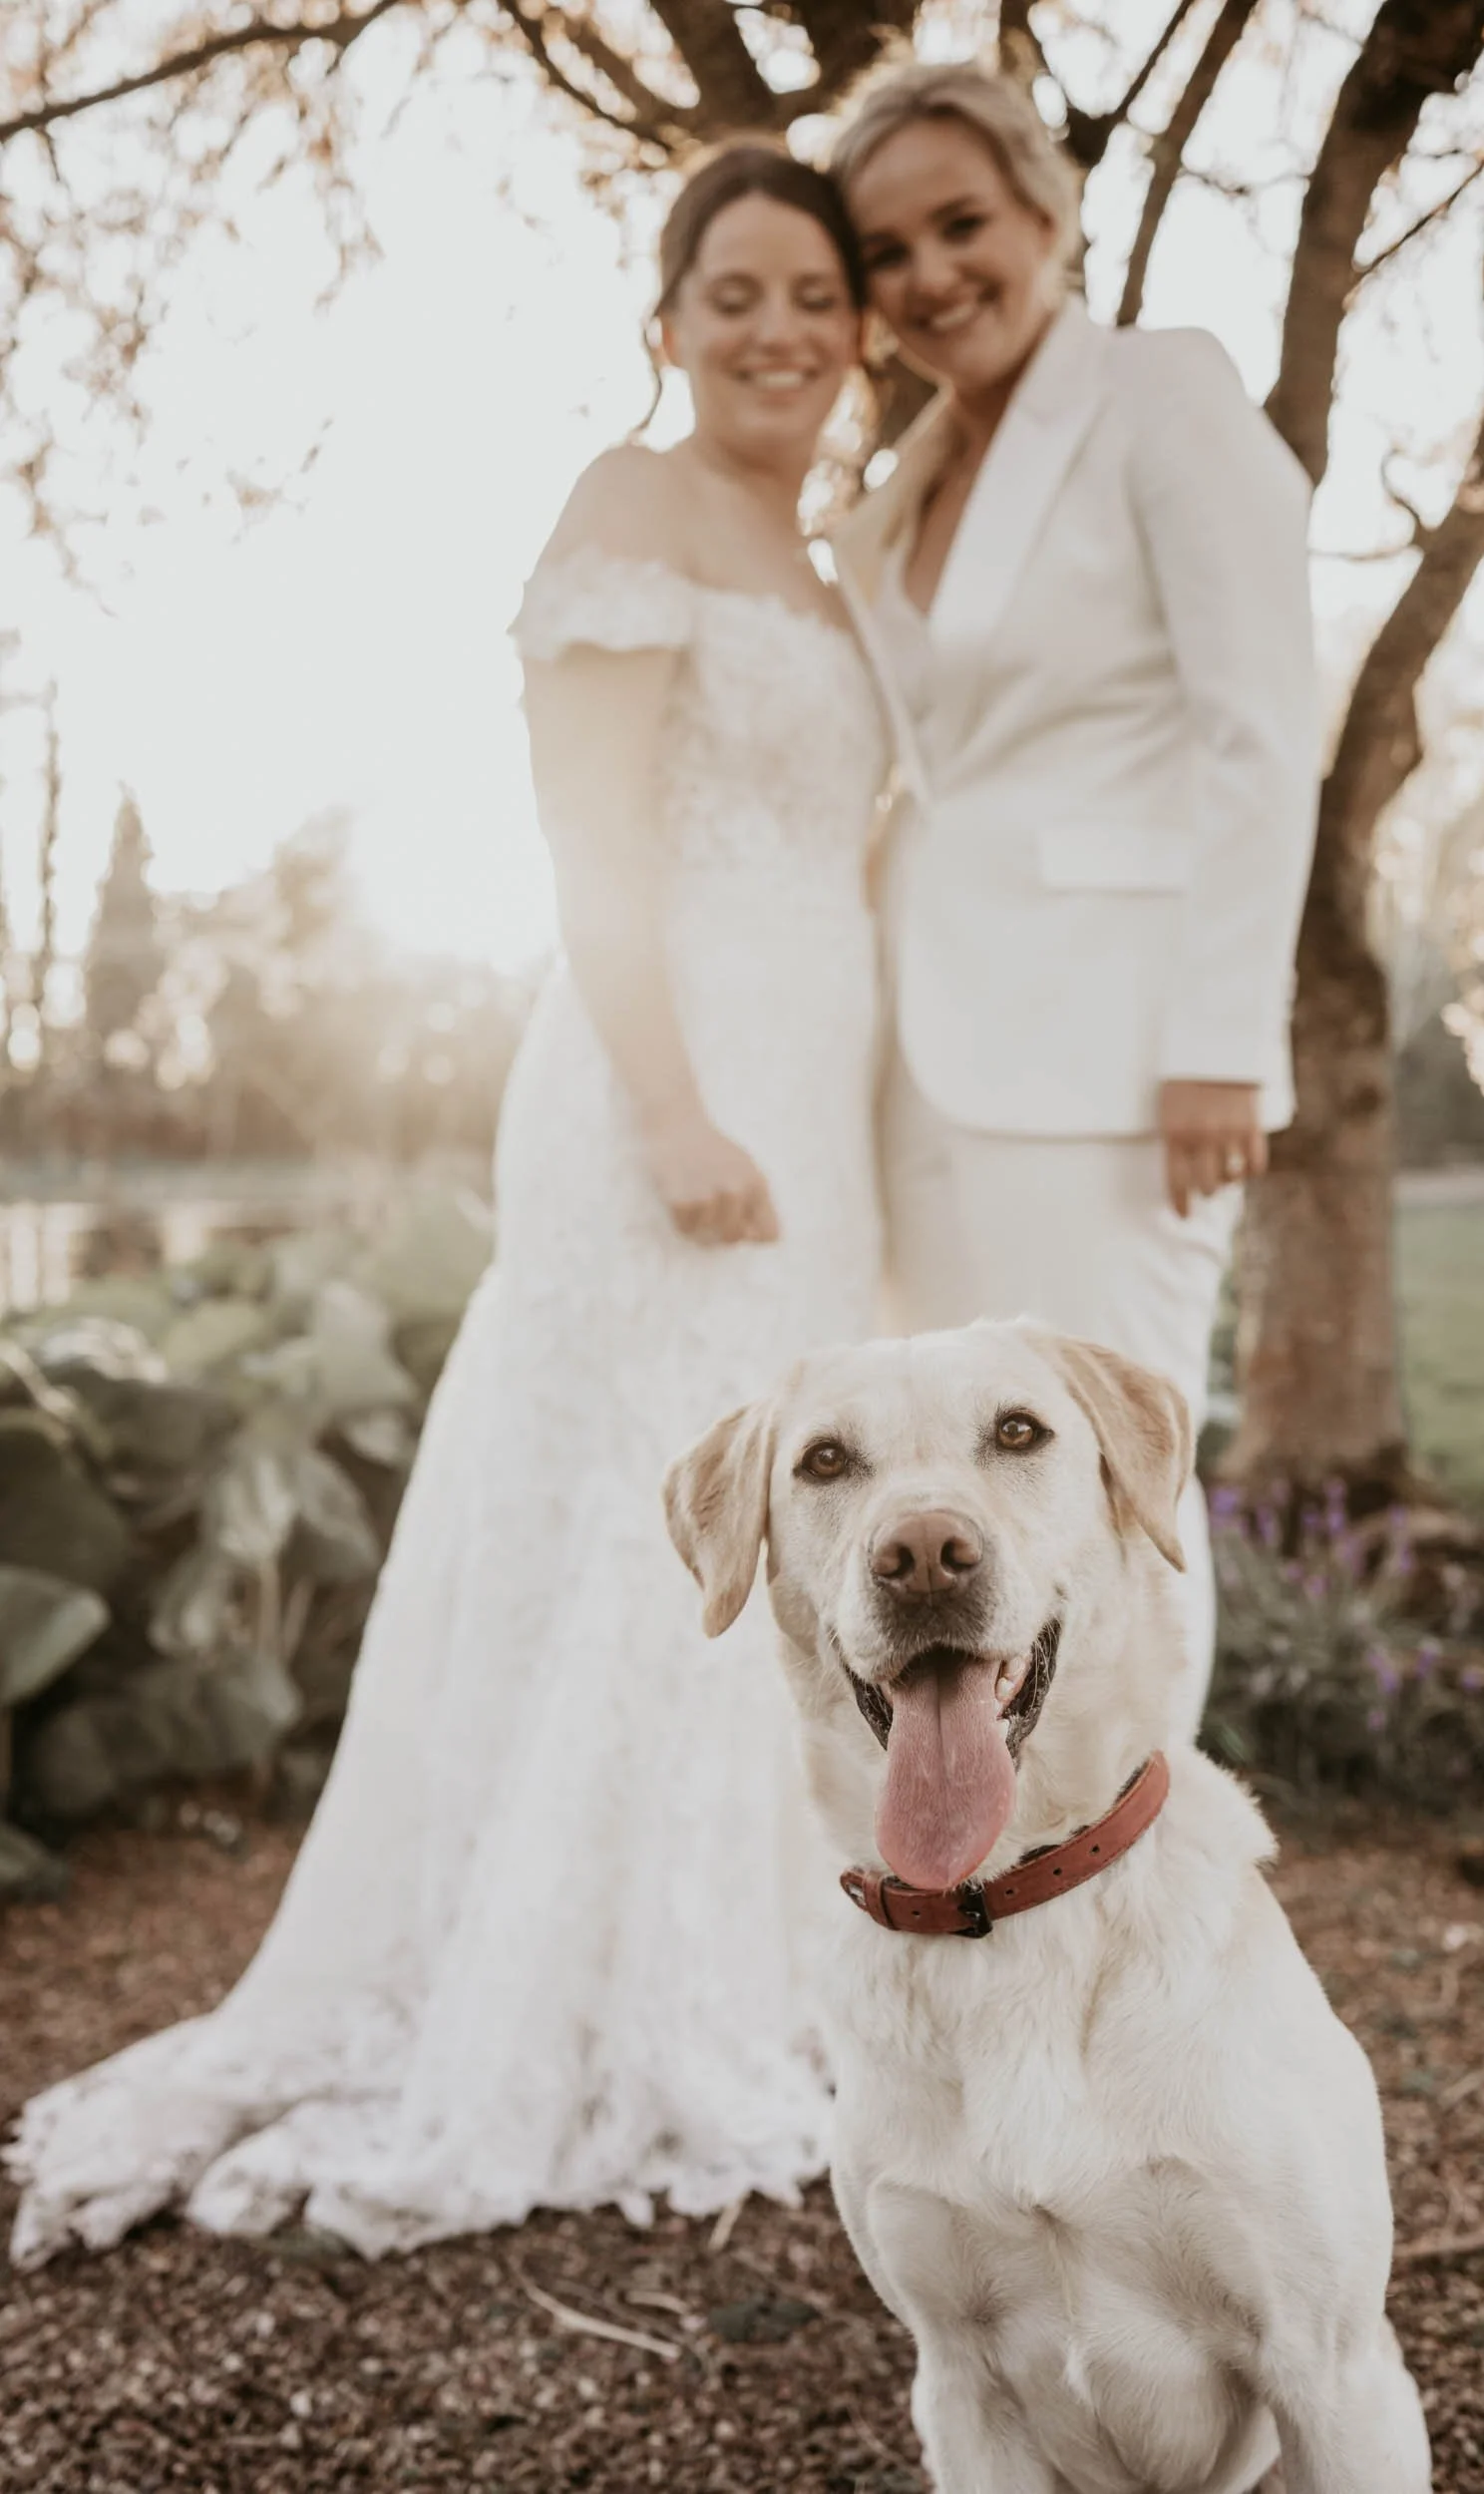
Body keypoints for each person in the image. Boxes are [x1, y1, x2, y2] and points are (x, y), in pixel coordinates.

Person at [9, 143, 889, 2265]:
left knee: (771, 1503)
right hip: (663, 1087)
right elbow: (589, 836)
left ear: (858, 329)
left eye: (812, 294)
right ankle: (579, 1992)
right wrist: (672, 1106)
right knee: (641, 1508)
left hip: (814, 1091)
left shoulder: (833, 552)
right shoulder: (625, 506)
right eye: (732, 290)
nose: (776, 328)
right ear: (665, 318)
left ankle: (772, 1953)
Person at [829, 63, 1320, 1736]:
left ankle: (1141, 1882)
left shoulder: (1159, 397)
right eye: (886, 251)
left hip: (1115, 1058)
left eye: (962, 224)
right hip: (917, 1050)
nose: (929, 276)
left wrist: (1221, 1045)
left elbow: (1261, 736)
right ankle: (980, 1857)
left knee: (1110, 1474)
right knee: (954, 1486)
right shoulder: (901, 482)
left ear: (1050, 213)